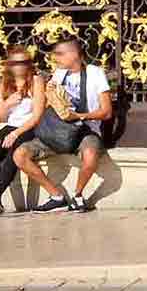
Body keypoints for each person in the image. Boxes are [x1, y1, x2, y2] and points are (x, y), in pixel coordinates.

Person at [25, 36, 111, 211]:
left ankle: (78, 195)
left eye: (60, 54)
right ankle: (56, 196)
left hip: (86, 129)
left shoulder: (95, 73)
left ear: (74, 54)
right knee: (20, 155)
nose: (55, 58)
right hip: (60, 130)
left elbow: (107, 111)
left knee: (90, 155)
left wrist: (79, 116)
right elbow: (49, 106)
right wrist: (47, 95)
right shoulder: (59, 74)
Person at [0, 45, 52, 214]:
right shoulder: (5, 83)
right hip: (11, 126)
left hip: (30, 127)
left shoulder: (36, 81)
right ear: (9, 65)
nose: (20, 66)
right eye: (15, 63)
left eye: (24, 62)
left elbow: (38, 115)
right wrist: (8, 103)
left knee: (14, 153)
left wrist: (16, 133)